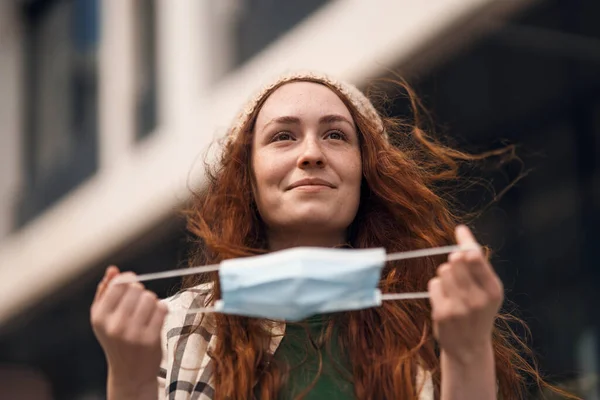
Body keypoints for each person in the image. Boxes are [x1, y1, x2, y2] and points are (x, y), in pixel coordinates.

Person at [91, 71, 575, 399]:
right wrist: (129, 375)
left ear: (367, 172)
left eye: (336, 135)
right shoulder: (179, 327)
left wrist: (468, 351)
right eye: (283, 135)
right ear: (247, 175)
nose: (311, 154)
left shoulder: (430, 322)